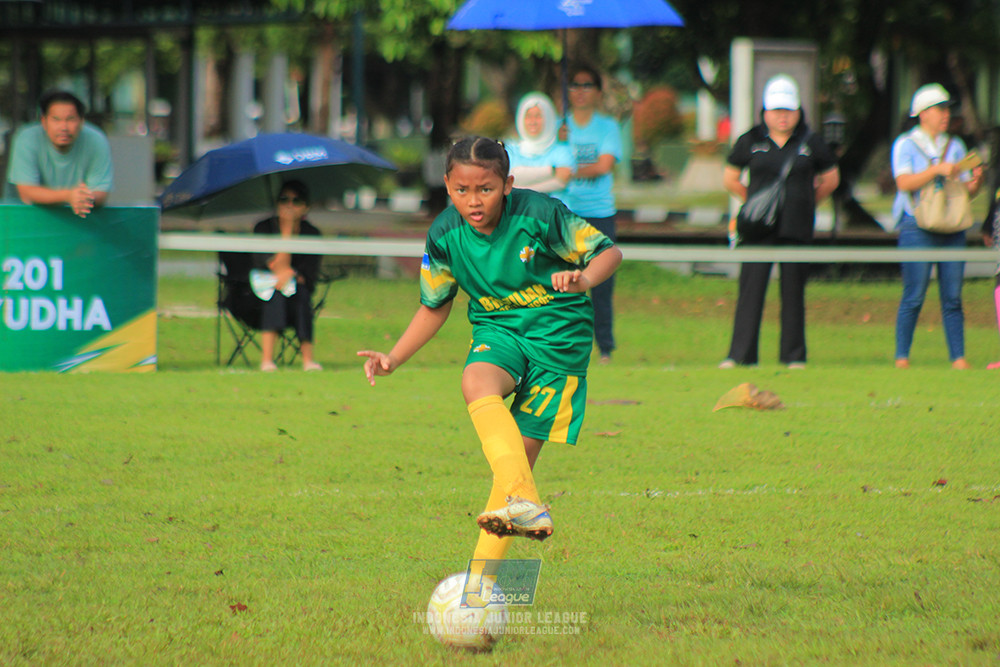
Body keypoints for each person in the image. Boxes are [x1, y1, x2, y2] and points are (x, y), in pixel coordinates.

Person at [357, 136, 622, 561]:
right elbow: (434, 306)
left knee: (511, 473)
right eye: (462, 190)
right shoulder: (444, 234)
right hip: (498, 331)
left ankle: (478, 591)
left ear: (508, 184)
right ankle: (524, 504)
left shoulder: (541, 214)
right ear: (447, 185)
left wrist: (584, 279)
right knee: (475, 381)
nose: (474, 201)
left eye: (486, 189)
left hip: (559, 340)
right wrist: (394, 357)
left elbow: (609, 252)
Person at [720, 74, 840, 369]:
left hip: (796, 228)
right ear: (765, 112)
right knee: (751, 290)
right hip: (758, 228)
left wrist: (806, 202)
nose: (783, 116)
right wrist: (755, 204)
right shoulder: (751, 139)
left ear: (799, 111)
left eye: (788, 110)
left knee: (793, 291)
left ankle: (794, 355)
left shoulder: (810, 141)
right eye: (776, 110)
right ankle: (741, 355)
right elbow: (730, 177)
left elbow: (831, 178)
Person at [891, 83, 983, 370]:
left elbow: (962, 192)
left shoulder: (955, 146)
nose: (946, 115)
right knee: (914, 295)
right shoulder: (906, 144)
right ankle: (902, 357)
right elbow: (903, 183)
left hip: (951, 226)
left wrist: (975, 181)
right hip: (916, 226)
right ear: (923, 113)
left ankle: (958, 357)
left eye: (947, 109)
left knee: (953, 296)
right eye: (940, 109)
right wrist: (935, 170)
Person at [563, 65, 623, 364]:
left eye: (587, 85)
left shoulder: (607, 127)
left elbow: (603, 166)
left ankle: (605, 347)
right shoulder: (560, 127)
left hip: (599, 212)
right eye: (575, 84)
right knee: (566, 283)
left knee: (600, 283)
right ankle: (570, 345)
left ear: (598, 92)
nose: (581, 90)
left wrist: (568, 172)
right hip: (567, 213)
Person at [4, 90, 113, 218]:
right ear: (43, 121)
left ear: (82, 121)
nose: (64, 127)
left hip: (78, 217)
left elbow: (101, 191)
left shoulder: (96, 139)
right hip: (22, 218)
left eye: (70, 119)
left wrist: (83, 198)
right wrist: (68, 196)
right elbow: (27, 192)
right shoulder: (26, 139)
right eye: (56, 119)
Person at [252, 180, 323, 372]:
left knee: (300, 294)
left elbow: (307, 275)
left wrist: (290, 273)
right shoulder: (263, 228)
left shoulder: (312, 233)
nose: (289, 206)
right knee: (274, 294)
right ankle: (267, 360)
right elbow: (274, 266)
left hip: (297, 293)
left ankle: (308, 360)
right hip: (256, 296)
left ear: (306, 207)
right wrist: (286, 231)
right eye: (284, 200)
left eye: (296, 201)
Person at [505, 92, 574, 204]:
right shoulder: (511, 150)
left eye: (538, 116)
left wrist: (520, 187)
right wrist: (551, 171)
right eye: (528, 116)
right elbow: (508, 178)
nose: (533, 122)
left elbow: (563, 179)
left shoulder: (562, 150)